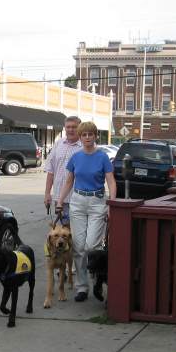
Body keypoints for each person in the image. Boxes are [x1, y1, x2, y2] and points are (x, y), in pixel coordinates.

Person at [56, 121, 116, 302]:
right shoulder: (76, 157)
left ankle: (96, 278)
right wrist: (59, 201)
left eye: (90, 134)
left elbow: (111, 182)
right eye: (84, 135)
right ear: (80, 137)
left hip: (98, 201)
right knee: (79, 247)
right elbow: (68, 182)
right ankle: (82, 287)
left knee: (91, 245)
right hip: (78, 202)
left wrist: (111, 204)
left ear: (95, 136)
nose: (87, 137)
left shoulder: (103, 157)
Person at [44, 116, 81, 219]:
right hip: (59, 198)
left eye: (74, 127)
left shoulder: (84, 146)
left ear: (80, 128)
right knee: (62, 232)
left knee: (77, 233)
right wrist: (47, 193)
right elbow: (51, 171)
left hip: (78, 199)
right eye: (68, 127)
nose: (70, 130)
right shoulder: (58, 144)